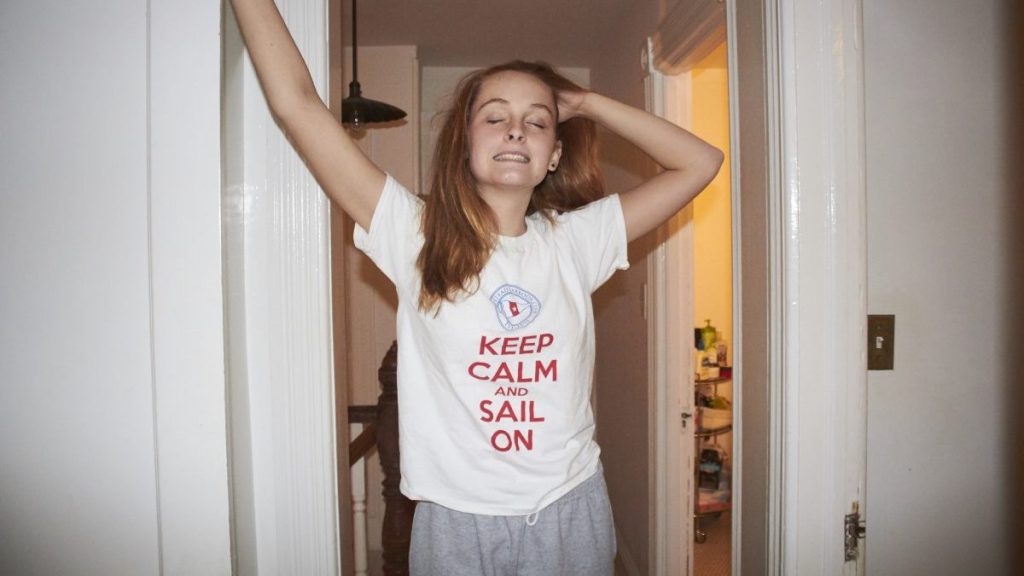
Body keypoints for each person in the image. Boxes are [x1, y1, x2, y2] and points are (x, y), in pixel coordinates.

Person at [231, 1, 723, 574]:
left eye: (538, 121)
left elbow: (700, 162)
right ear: (463, 142)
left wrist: (584, 103)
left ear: (553, 153)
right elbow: (296, 107)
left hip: (570, 509)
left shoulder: (576, 241)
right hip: (457, 523)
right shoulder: (412, 232)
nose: (517, 128)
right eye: (494, 116)